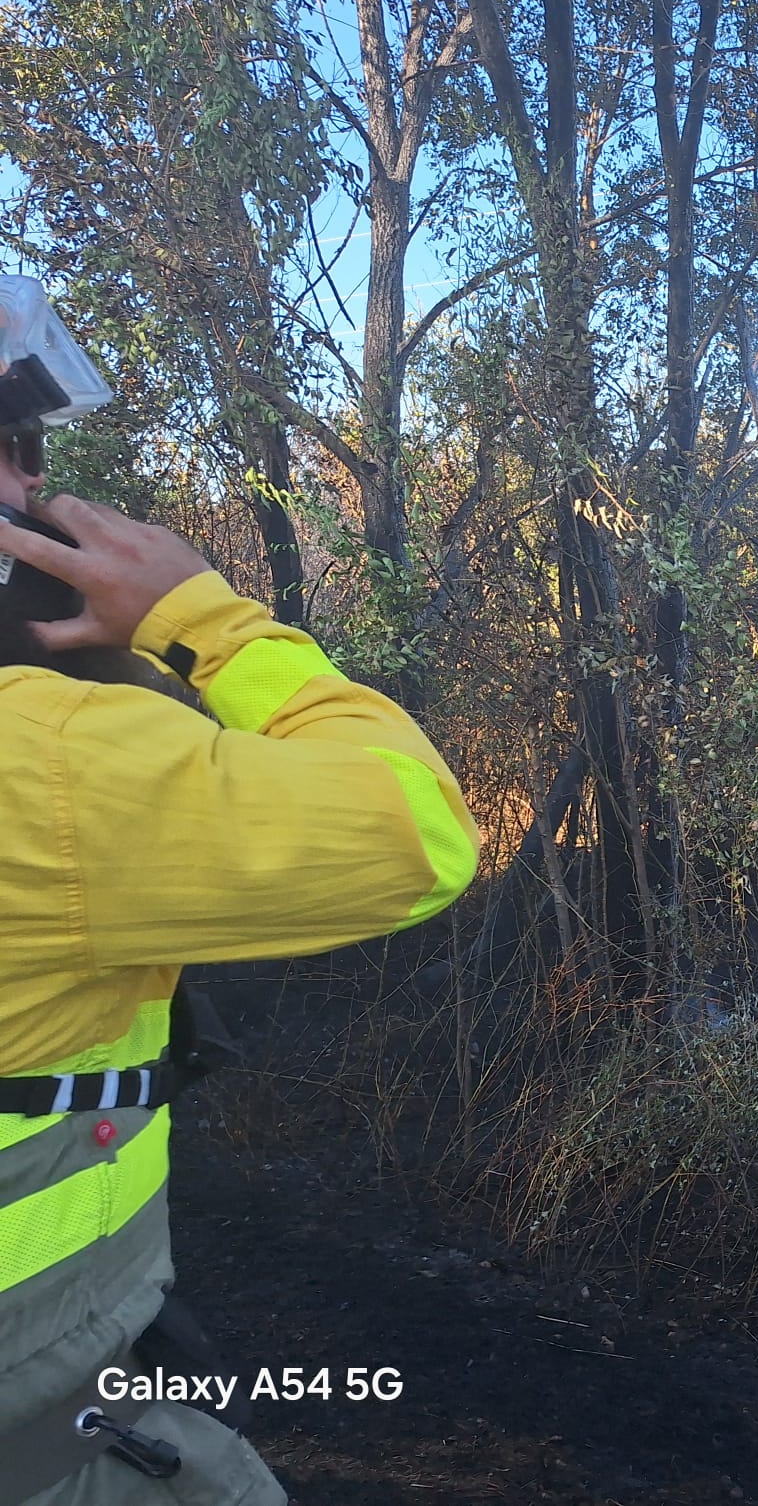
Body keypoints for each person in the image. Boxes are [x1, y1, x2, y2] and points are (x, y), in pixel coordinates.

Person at [0, 281, 480, 1503]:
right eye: (19, 457)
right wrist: (200, 617)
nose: (36, 495)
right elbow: (418, 832)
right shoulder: (47, 760)